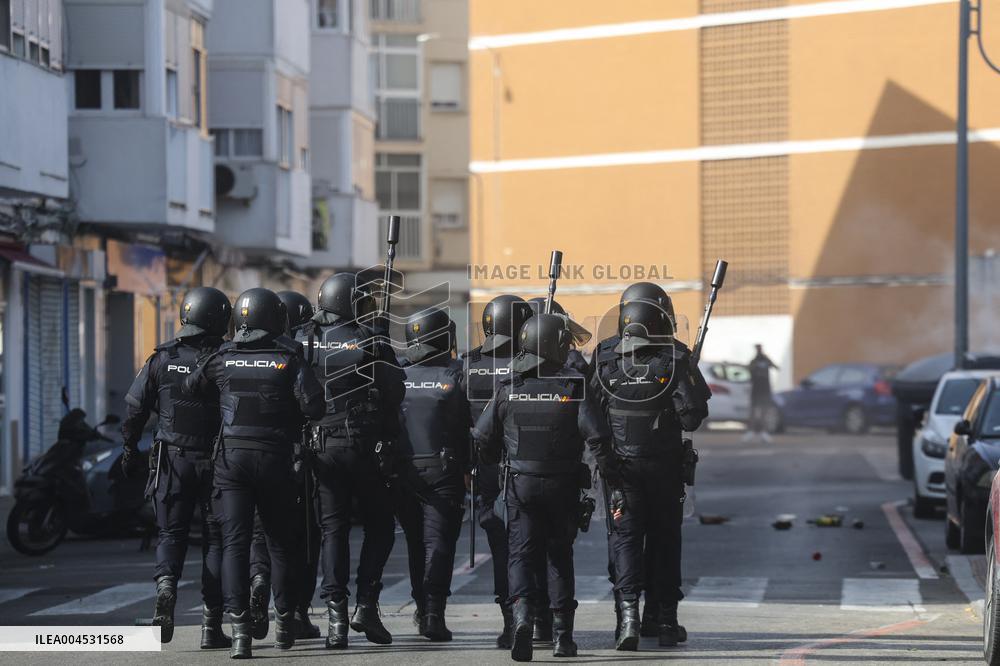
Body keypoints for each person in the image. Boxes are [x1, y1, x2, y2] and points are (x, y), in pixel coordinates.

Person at [184, 287, 325, 658]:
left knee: (234, 544)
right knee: (280, 544)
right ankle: (282, 626)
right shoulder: (289, 356)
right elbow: (314, 407)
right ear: (276, 320)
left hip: (231, 462)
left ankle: (241, 634)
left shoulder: (223, 355)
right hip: (276, 459)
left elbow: (191, 386)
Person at [475, 313, 615, 662]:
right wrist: (609, 474)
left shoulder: (510, 386)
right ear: (556, 346)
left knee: (521, 554)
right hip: (562, 484)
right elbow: (597, 436)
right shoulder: (573, 386)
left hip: (519, 484)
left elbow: (483, 437)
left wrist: (498, 458)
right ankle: (563, 638)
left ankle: (522, 617)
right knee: (558, 556)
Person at [588, 282, 709, 641]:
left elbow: (588, 412)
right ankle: (664, 619)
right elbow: (692, 418)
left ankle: (627, 618)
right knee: (665, 540)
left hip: (618, 471)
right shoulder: (675, 357)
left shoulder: (605, 356)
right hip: (664, 469)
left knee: (624, 540)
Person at [120, 287, 232, 649]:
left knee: (171, 535)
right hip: (217, 460)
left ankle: (166, 586)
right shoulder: (226, 357)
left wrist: (128, 448)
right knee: (215, 541)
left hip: (172, 459)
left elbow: (135, 409)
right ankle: (210, 627)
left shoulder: (162, 357)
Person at [298, 272, 405, 649]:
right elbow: (395, 391)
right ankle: (366, 604)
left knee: (333, 530)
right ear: (350, 303)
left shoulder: (305, 338)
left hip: (320, 446)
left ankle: (336, 619)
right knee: (379, 525)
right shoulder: (369, 338)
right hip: (362, 445)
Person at [394, 307, 472, 641]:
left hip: (404, 469)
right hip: (444, 470)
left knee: (416, 543)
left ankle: (422, 605)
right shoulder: (457, 373)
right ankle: (432, 613)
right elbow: (471, 425)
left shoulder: (397, 373)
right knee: (438, 543)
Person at [460, 294, 534, 648]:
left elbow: (457, 420)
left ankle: (510, 621)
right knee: (538, 545)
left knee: (501, 548)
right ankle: (541, 619)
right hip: (527, 466)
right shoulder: (533, 362)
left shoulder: (469, 364)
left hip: (486, 469)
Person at [247, 290, 321, 641]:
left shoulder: (248, 353)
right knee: (302, 541)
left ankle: (259, 578)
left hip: (254, 457)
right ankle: (294, 613)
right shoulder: (300, 355)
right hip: (298, 458)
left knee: (262, 535)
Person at [746, 344, 779, 444]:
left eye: (760, 349)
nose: (759, 351)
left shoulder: (766, 360)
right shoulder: (753, 361)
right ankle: (751, 431)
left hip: (765, 390)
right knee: (753, 412)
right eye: (757, 349)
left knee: (764, 412)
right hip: (756, 390)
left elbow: (776, 367)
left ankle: (764, 432)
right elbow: (748, 369)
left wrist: (767, 359)